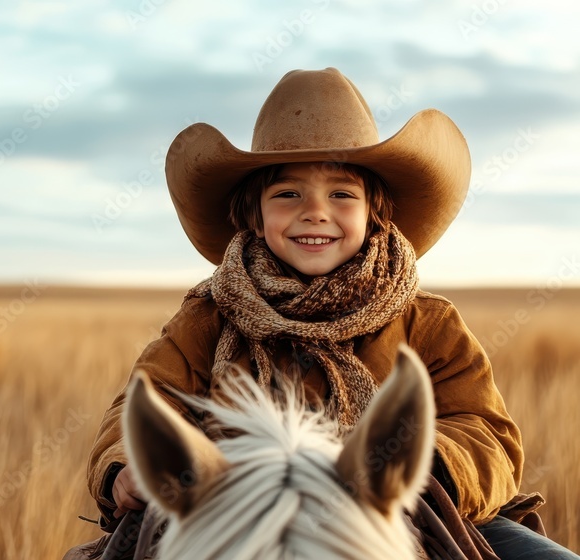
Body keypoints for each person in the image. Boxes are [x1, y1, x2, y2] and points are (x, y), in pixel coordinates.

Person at [84, 68, 578, 558]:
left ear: (374, 212)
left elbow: (485, 428)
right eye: (287, 194)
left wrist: (419, 470)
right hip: (233, 505)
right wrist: (126, 467)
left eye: (341, 194)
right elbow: (143, 403)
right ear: (254, 214)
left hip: (405, 508)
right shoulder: (209, 316)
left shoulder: (428, 322)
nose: (315, 211)